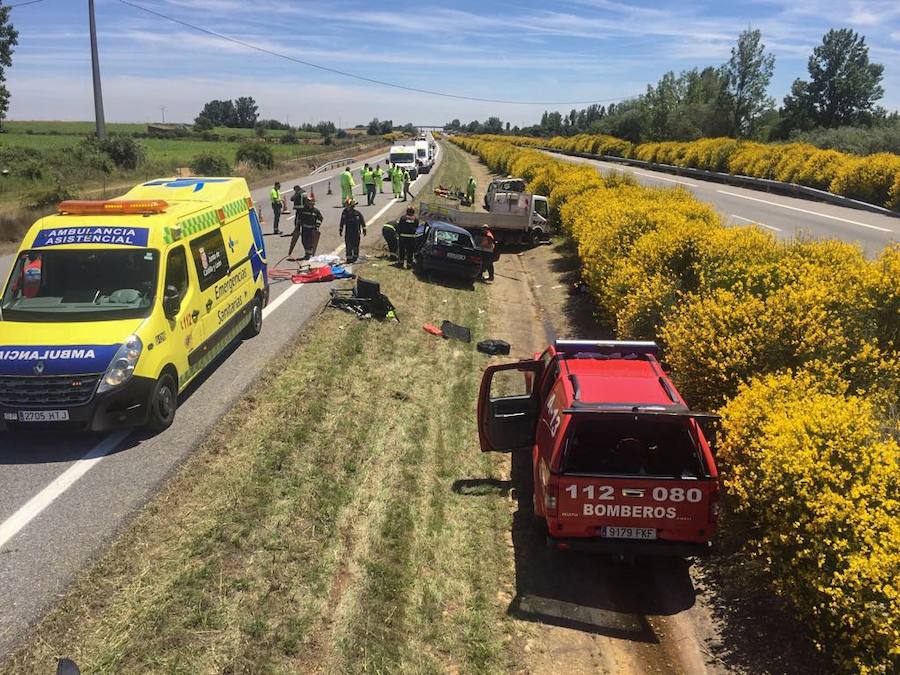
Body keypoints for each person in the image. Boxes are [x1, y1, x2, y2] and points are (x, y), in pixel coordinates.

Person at [288, 196, 324, 260]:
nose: (310, 205)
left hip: (312, 229)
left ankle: (310, 254)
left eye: (311, 203)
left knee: (310, 242)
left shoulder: (316, 211)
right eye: (309, 203)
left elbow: (320, 218)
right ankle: (307, 253)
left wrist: (317, 225)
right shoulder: (303, 210)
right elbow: (299, 219)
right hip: (304, 228)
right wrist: (298, 227)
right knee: (304, 241)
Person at [339, 198, 366, 263]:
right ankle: (349, 258)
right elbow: (342, 221)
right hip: (348, 233)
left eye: (348, 206)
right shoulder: (344, 213)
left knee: (356, 245)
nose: (347, 207)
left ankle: (355, 258)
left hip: (356, 232)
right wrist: (341, 229)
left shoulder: (357, 213)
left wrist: (364, 229)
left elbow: (362, 221)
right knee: (348, 245)